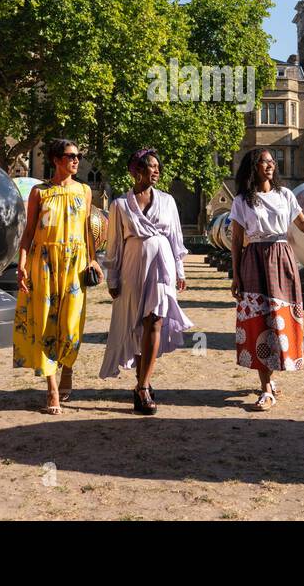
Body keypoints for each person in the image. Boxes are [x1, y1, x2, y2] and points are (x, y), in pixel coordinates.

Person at [228, 147, 304, 410]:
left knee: (279, 319)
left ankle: (271, 376)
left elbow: (303, 226)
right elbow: (235, 240)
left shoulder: (285, 195)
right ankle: (266, 388)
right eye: (264, 162)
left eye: (272, 162)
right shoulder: (242, 200)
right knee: (258, 321)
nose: (270, 166)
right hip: (253, 259)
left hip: (282, 258)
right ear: (253, 166)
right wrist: (235, 275)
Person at [99, 148, 193, 414]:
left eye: (158, 167)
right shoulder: (119, 205)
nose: (157, 171)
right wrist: (112, 277)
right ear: (137, 170)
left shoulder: (168, 201)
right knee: (137, 325)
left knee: (155, 320)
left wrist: (180, 271)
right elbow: (114, 245)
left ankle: (143, 385)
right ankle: (142, 383)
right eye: (152, 166)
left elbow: (175, 239)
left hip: (162, 266)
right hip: (132, 267)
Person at [13, 139, 103, 413]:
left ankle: (68, 370)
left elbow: (89, 231)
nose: (76, 160)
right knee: (44, 323)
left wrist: (93, 260)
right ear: (56, 160)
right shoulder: (40, 193)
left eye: (78, 156)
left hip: (75, 264)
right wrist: (22, 265)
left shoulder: (85, 191)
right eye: (70, 156)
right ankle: (52, 388)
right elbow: (28, 233)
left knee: (71, 324)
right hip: (44, 263)